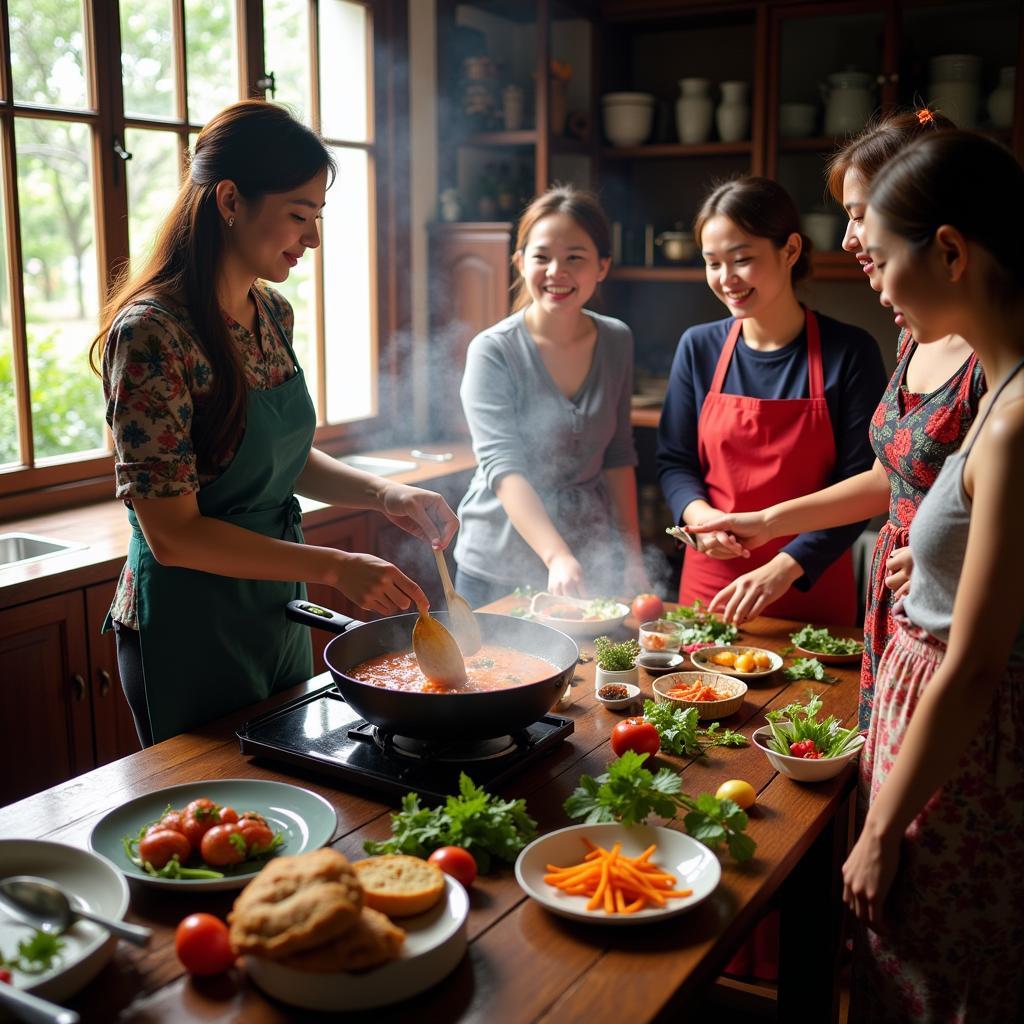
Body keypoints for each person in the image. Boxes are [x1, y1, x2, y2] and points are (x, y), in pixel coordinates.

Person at [92, 101, 458, 746]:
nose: (312, 239)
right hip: (188, 619)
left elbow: (279, 454)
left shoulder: (270, 312)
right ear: (230, 199)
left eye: (317, 217)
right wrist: (337, 567)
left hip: (272, 606)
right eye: (299, 214)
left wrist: (385, 493)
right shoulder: (152, 334)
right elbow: (174, 536)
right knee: (211, 821)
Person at [686, 110, 986, 730]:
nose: (850, 239)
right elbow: (887, 478)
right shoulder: (915, 332)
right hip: (892, 610)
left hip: (953, 621)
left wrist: (944, 557)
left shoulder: (992, 356)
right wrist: (765, 522)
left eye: (858, 214)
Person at [840, 130, 1024, 1023]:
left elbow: (980, 664)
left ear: (949, 250)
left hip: (969, 754)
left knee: (937, 985)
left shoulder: (1016, 414)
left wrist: (878, 833)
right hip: (930, 726)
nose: (871, 280)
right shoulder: (997, 384)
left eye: (878, 259)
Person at [657, 176, 886, 626]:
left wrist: (786, 565)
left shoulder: (849, 352)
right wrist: (703, 518)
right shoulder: (698, 347)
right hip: (712, 587)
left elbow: (863, 485)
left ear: (791, 251)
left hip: (809, 583)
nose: (727, 280)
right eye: (712, 263)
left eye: (742, 260)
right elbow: (674, 461)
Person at [454, 185, 645, 606]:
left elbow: (618, 455)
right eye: (542, 257)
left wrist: (631, 557)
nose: (557, 271)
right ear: (520, 263)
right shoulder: (494, 350)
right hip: (498, 564)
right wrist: (556, 555)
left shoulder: (616, 340)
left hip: (588, 558)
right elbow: (503, 467)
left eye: (575, 257)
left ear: (602, 266)